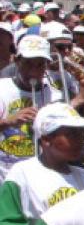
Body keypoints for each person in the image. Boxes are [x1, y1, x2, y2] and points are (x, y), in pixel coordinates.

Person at [0, 35, 63, 181]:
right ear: (16, 61)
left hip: (38, 177)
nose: (34, 72)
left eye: (40, 65)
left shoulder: (54, 95)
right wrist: (9, 121)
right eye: (28, 64)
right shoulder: (2, 88)